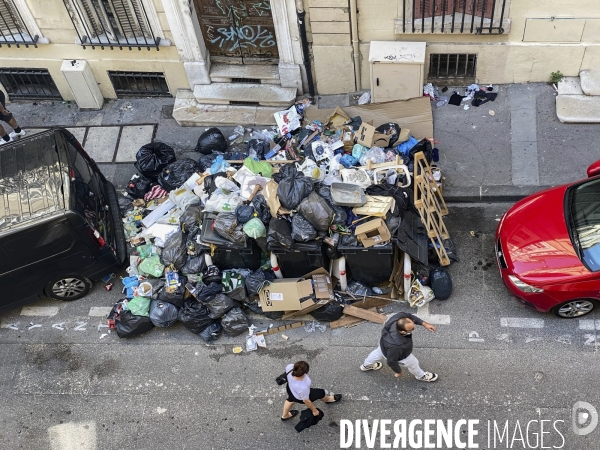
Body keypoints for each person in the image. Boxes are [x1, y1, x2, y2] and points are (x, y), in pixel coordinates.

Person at [360, 312, 439, 382]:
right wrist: (398, 372)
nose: (415, 327)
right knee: (414, 363)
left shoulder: (397, 318)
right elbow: (391, 361)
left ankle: (366, 365)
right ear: (402, 332)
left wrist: (424, 324)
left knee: (375, 354)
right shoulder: (397, 346)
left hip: (383, 346)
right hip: (398, 355)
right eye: (412, 329)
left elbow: (409, 315)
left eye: (413, 324)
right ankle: (421, 376)